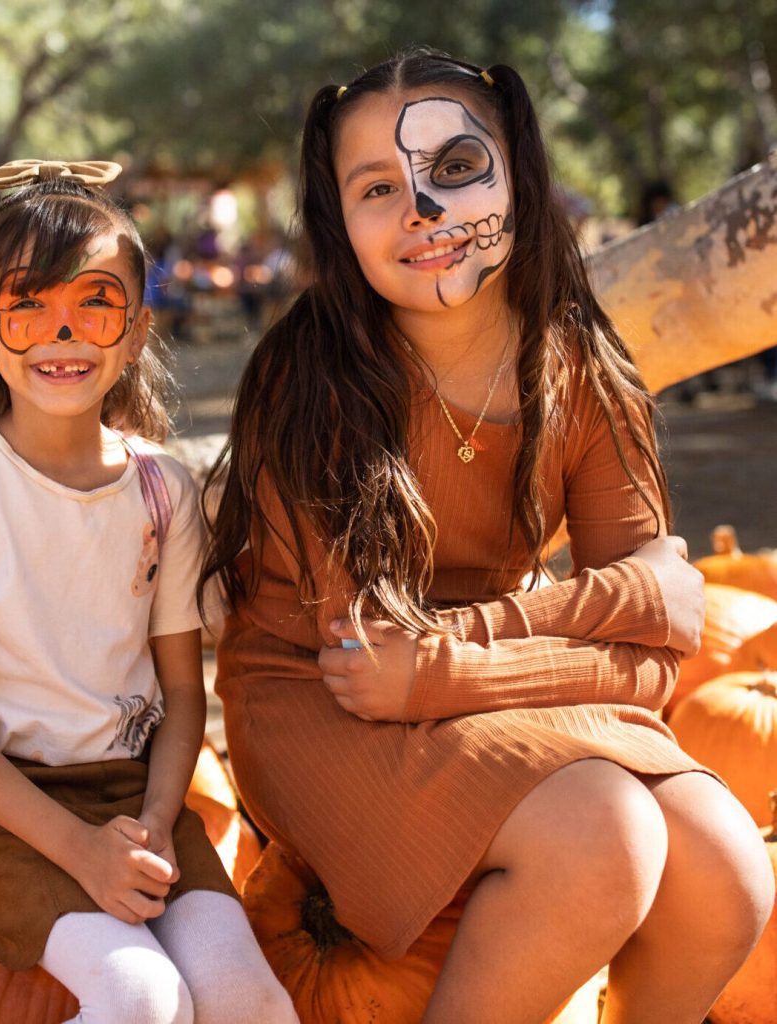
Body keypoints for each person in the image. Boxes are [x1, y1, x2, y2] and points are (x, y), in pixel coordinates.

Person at [201, 50, 775, 1023]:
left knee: (726, 869)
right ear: (338, 218)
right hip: (317, 699)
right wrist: (618, 604)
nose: (422, 207)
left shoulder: (581, 364)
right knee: (603, 836)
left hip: (475, 675)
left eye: (457, 165)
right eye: (378, 186)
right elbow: (366, 669)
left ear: (519, 173)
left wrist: (457, 666)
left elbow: (660, 650)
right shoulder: (313, 377)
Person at [0, 160, 296, 1024]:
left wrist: (156, 824)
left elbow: (179, 697)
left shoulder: (162, 493)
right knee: (140, 996)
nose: (64, 334)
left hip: (140, 797)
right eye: (28, 307)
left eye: (93, 303)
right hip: (4, 807)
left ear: (133, 331)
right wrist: (82, 853)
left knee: (250, 999)